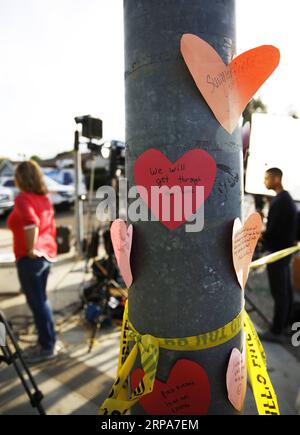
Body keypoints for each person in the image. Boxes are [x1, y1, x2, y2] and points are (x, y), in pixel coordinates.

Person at [7, 160, 58, 363]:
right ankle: (49, 341)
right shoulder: (43, 198)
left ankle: (47, 346)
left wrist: (29, 249)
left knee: (37, 303)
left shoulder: (23, 199)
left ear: (20, 178)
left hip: (31, 259)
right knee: (41, 302)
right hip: (45, 256)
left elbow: (31, 224)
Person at [261, 167, 297, 342]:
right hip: (284, 252)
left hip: (277, 253)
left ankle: (276, 331)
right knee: (286, 290)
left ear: (276, 179)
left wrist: (260, 235)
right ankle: (284, 325)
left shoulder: (281, 201)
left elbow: (273, 231)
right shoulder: (286, 199)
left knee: (279, 292)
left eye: (267, 178)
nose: (264, 182)